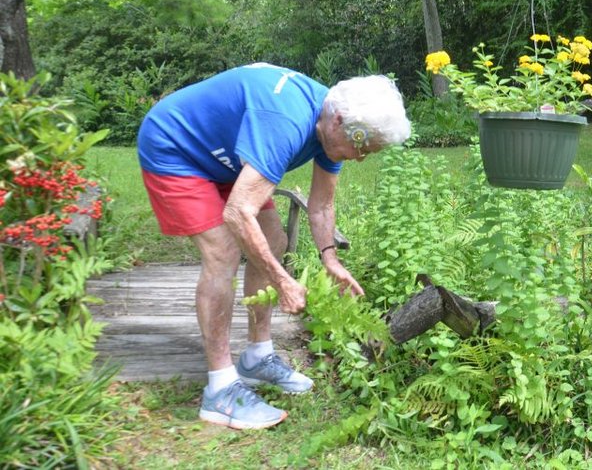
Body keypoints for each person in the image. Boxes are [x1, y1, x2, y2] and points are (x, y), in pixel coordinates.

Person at [136, 63, 411, 430]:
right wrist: (283, 281)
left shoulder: (335, 123)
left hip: (224, 159)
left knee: (275, 240)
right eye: (362, 146)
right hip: (176, 147)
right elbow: (237, 213)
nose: (361, 157)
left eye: (370, 152)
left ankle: (257, 357)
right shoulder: (287, 121)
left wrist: (330, 258)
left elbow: (322, 204)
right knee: (224, 251)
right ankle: (219, 391)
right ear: (338, 121)